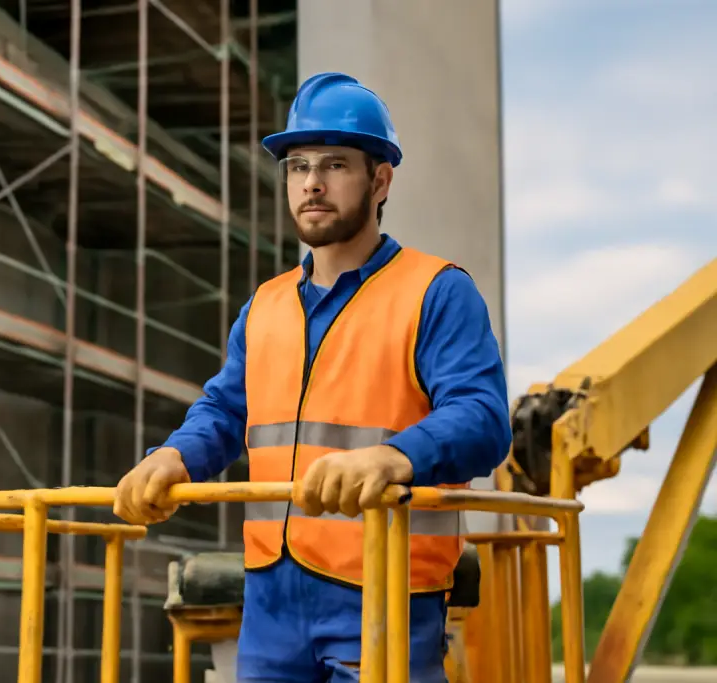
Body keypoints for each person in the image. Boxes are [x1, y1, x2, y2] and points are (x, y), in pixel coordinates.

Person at [113, 72, 511, 683]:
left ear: (380, 180)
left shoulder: (436, 292)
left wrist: (394, 457)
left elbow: (482, 418)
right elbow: (225, 411)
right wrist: (174, 456)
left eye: (335, 165)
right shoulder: (266, 305)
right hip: (272, 597)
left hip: (384, 589)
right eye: (298, 167)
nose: (312, 184)